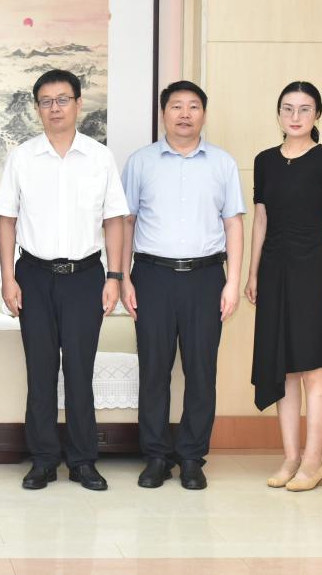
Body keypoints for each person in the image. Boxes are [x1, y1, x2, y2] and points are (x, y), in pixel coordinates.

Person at [0, 69, 128, 491]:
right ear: (38, 108)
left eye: (63, 99)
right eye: (47, 101)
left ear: (78, 104)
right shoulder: (22, 157)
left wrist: (115, 276)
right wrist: (8, 278)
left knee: (80, 371)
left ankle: (83, 460)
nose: (55, 108)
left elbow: (115, 221)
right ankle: (44, 460)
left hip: (85, 277)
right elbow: (7, 221)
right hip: (34, 276)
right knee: (41, 371)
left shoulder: (99, 158)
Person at [120, 81, 245, 490]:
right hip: (152, 276)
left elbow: (233, 224)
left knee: (201, 371)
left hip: (206, 278)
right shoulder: (141, 162)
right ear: (164, 114)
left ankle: (192, 457)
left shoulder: (222, 164)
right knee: (154, 371)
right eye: (176, 106)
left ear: (204, 114)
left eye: (193, 106)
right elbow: (126, 222)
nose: (185, 114)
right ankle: (156, 456)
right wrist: (123, 278)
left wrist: (232, 282)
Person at [245, 81, 322, 493]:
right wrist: (252, 273)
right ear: (278, 114)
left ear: (317, 114)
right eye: (288, 108)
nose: (295, 116)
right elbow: (261, 220)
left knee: (312, 369)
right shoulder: (265, 161)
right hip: (273, 270)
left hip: (313, 271)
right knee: (283, 368)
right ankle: (290, 457)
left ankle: (313, 461)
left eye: (305, 109)